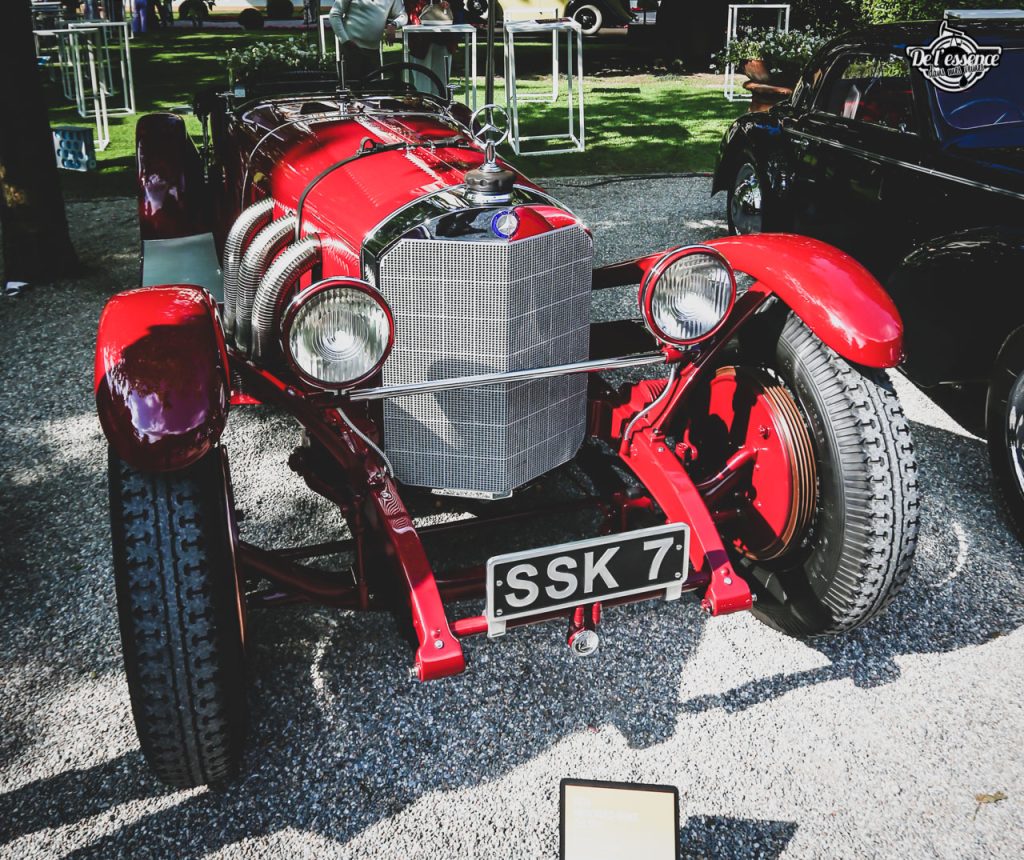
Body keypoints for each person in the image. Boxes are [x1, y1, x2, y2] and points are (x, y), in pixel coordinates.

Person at [329, 0, 408, 85]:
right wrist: (345, 41)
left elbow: (403, 15)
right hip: (351, 50)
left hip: (374, 51)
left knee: (372, 90)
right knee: (351, 90)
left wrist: (394, 24)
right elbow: (334, 14)